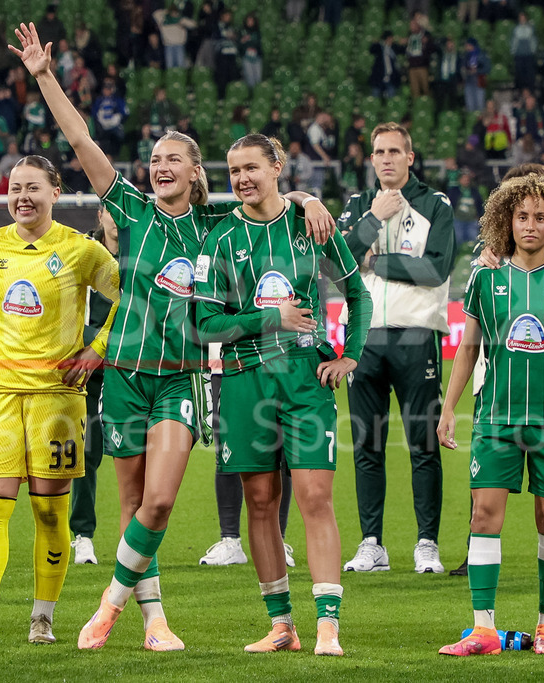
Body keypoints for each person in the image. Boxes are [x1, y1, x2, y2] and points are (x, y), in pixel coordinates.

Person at [11, 22, 334, 652]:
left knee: (158, 502)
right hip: (126, 371)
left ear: (194, 172)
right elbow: (79, 138)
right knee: (132, 503)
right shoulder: (129, 210)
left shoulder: (218, 222)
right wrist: (45, 76)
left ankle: (108, 604)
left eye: (172, 160)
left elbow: (266, 197)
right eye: (154, 160)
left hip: (182, 375)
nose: (160, 167)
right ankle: (154, 619)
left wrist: (300, 194)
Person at [195, 133, 371, 655]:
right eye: (233, 171)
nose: (243, 179)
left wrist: (350, 356)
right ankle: (281, 625)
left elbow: (357, 293)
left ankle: (328, 624)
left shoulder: (311, 224)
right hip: (245, 376)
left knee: (316, 497)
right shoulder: (221, 239)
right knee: (260, 501)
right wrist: (270, 317)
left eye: (252, 167)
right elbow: (205, 322)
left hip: (304, 377)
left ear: (278, 166)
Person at [0, 155, 119, 645]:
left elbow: (128, 294)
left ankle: (43, 617)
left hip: (57, 400)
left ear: (54, 192)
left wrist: (96, 348)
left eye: (33, 188)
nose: (22, 197)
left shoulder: (81, 250)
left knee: (49, 512)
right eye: (15, 187)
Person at [436, 173, 544, 656]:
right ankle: (483, 631)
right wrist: (448, 409)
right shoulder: (485, 277)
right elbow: (467, 349)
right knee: (485, 516)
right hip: (496, 418)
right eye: (522, 216)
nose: (530, 225)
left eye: (540, 217)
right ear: (507, 220)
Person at [337, 122, 456, 574]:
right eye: (378, 152)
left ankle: (426, 543)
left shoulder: (434, 204)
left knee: (423, 443)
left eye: (394, 151)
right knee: (367, 444)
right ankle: (373, 544)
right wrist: (372, 220)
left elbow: (436, 269)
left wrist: (376, 261)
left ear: (410, 157)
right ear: (371, 159)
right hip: (361, 337)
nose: (385, 159)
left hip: (415, 334)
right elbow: (335, 260)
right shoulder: (356, 206)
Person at [71, 208, 120, 566]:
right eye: (110, 211)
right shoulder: (82, 250)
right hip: (86, 367)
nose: (117, 218)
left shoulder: (141, 253)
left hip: (128, 365)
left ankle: (135, 537)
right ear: (100, 213)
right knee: (86, 453)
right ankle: (82, 535)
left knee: (138, 452)